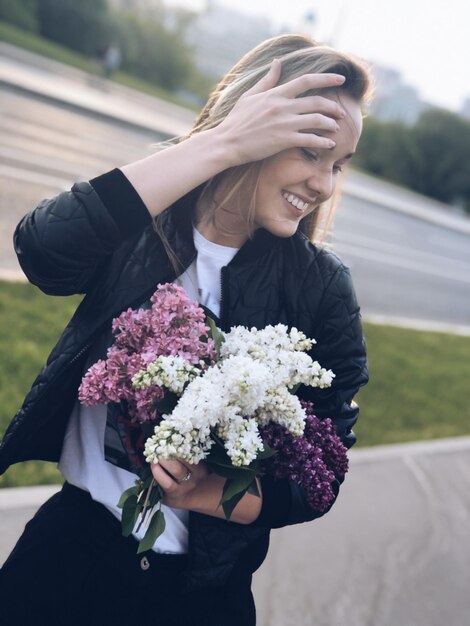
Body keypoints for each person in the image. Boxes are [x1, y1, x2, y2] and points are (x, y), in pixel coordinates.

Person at [0, 34, 371, 625]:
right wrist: (220, 144)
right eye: (310, 152)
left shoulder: (321, 288)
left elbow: (321, 474)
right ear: (255, 124)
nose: (324, 185)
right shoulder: (143, 220)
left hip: (200, 596)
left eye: (337, 165)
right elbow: (43, 252)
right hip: (69, 556)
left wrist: (207, 493)